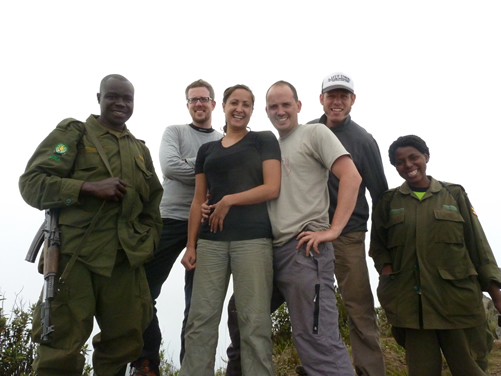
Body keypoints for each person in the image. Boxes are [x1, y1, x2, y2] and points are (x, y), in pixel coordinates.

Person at [18, 74, 163, 376]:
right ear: (99, 98)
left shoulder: (140, 150)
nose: (121, 103)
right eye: (113, 96)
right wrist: (87, 187)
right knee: (60, 347)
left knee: (124, 343)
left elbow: (152, 205)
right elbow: (32, 183)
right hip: (76, 258)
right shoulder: (75, 134)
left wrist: (147, 244)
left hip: (123, 262)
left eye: (127, 98)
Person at [370, 135, 501, 376]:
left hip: (456, 303)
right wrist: (390, 279)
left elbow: (478, 245)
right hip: (413, 308)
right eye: (400, 162)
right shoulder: (388, 202)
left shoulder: (454, 194)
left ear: (426, 157)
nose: (408, 165)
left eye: (413, 157)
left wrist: (496, 292)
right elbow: (378, 248)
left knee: (470, 369)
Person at [179, 84, 281, 376]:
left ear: (252, 110)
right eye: (234, 102)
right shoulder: (207, 149)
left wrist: (229, 201)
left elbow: (272, 187)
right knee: (200, 321)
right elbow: (199, 199)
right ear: (221, 106)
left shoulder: (263, 140)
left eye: (246, 104)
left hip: (253, 240)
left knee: (254, 322)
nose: (240, 108)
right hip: (210, 243)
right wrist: (191, 245)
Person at [265, 80, 360, 376]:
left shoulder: (314, 132)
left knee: (317, 338)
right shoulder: (269, 148)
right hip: (269, 252)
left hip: (305, 251)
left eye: (286, 104)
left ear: (299, 106)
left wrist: (332, 230)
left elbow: (351, 177)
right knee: (240, 317)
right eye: (274, 106)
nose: (280, 111)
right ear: (266, 111)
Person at [130, 79, 222, 376]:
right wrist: (210, 165)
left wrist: (196, 165)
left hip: (208, 223)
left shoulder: (224, 138)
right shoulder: (175, 132)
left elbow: (227, 176)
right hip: (168, 219)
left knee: (198, 303)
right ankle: (147, 361)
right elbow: (169, 166)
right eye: (193, 99)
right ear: (187, 105)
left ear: (213, 104)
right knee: (141, 289)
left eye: (204, 99)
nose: (199, 104)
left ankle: (192, 368)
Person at [307, 72, 387, 376]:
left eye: (343, 96)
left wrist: (380, 248)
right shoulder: (308, 132)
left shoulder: (363, 140)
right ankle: (323, 366)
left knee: (358, 307)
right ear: (321, 99)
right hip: (309, 233)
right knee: (314, 303)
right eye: (331, 95)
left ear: (352, 100)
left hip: (349, 235)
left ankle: (369, 371)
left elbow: (380, 195)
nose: (337, 101)